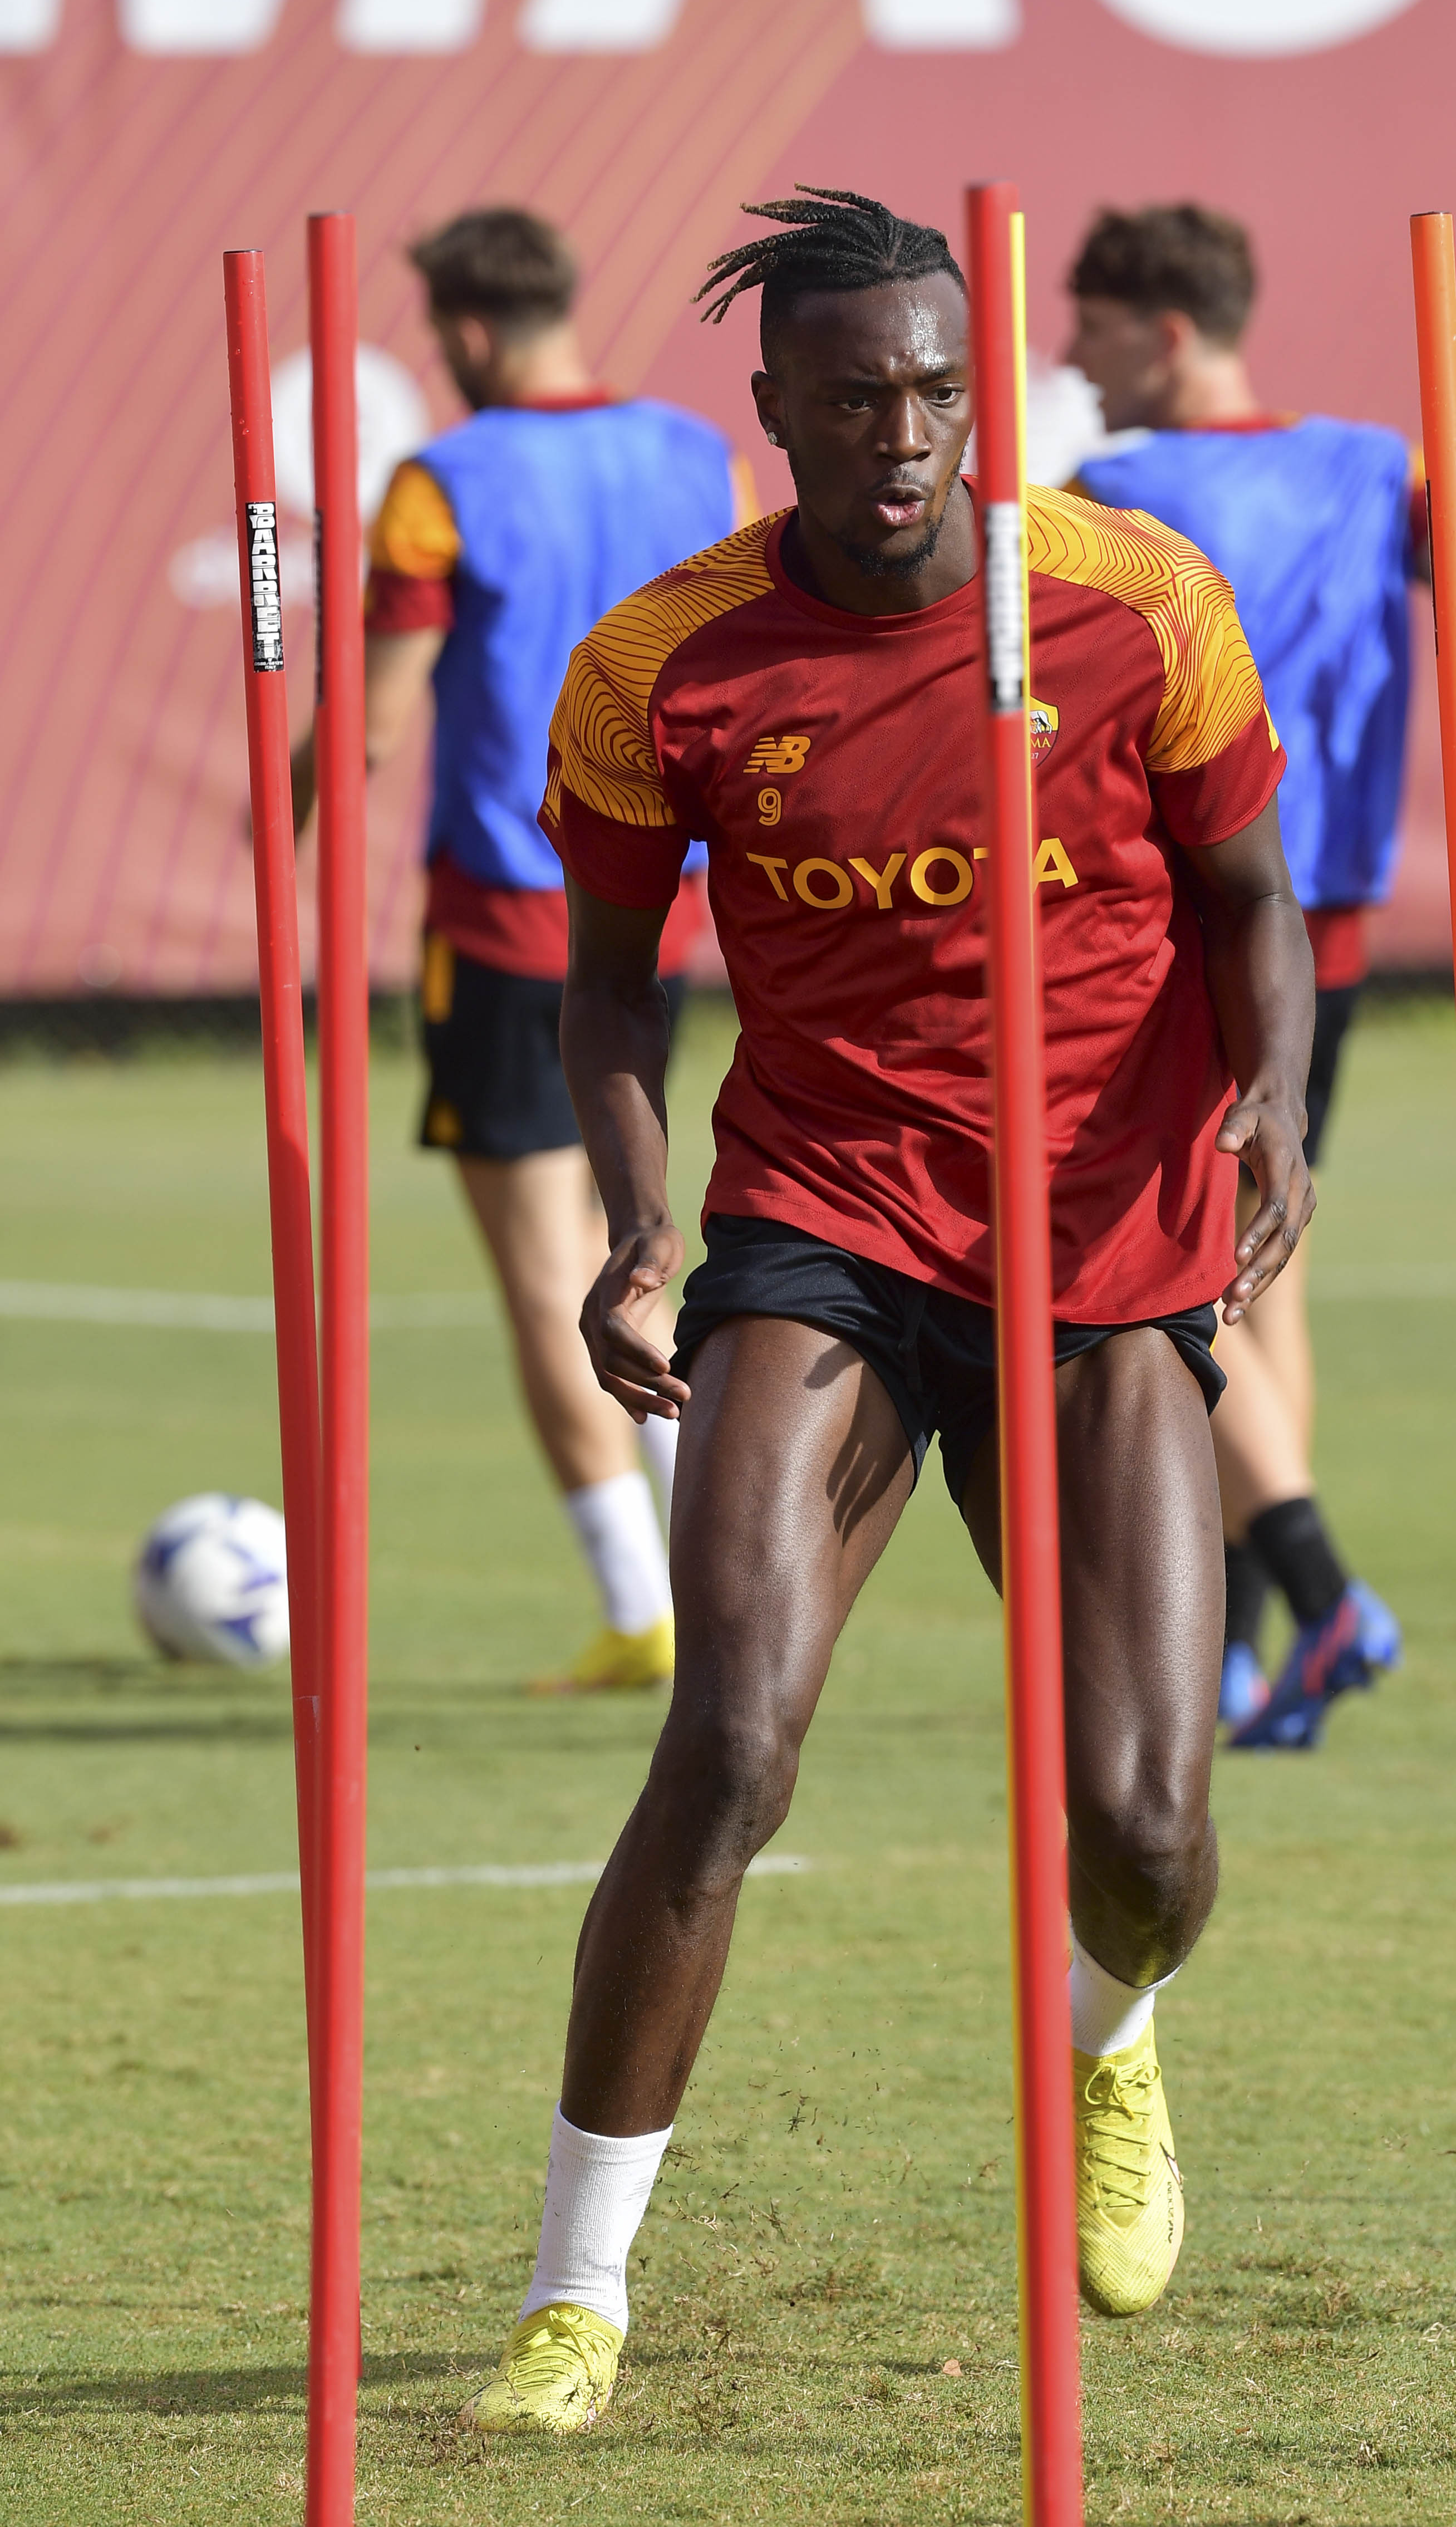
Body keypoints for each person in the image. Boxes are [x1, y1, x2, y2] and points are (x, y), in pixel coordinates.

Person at [458, 184, 1315, 2442]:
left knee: (1143, 1824)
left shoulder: (1130, 602)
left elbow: (1254, 898)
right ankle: (573, 2289)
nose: (906, 434)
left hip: (1099, 1247)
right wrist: (634, 1223)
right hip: (823, 1216)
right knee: (726, 1736)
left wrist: (1277, 1119)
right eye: (856, 400)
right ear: (778, 415)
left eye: (938, 388)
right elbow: (611, 989)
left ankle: (1104, 2040)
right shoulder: (666, 662)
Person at [1063, 203, 1456, 1750]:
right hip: (1330, 930)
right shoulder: (1382, 469)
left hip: (1178, 919)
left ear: (1165, 332)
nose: (1065, 359)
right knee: (1253, 1249)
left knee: (1160, 1266)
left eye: (1087, 329)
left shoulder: (1114, 495)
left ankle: (1319, 1588)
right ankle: (1239, 1650)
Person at [291, 207, 751, 1694]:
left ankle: (655, 1603)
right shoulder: (697, 455)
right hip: (666, 902)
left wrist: (280, 820)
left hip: (507, 911)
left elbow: (371, 715)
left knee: (553, 1265)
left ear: (468, 333)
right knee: (642, 1231)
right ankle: (719, 1582)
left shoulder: (443, 482)